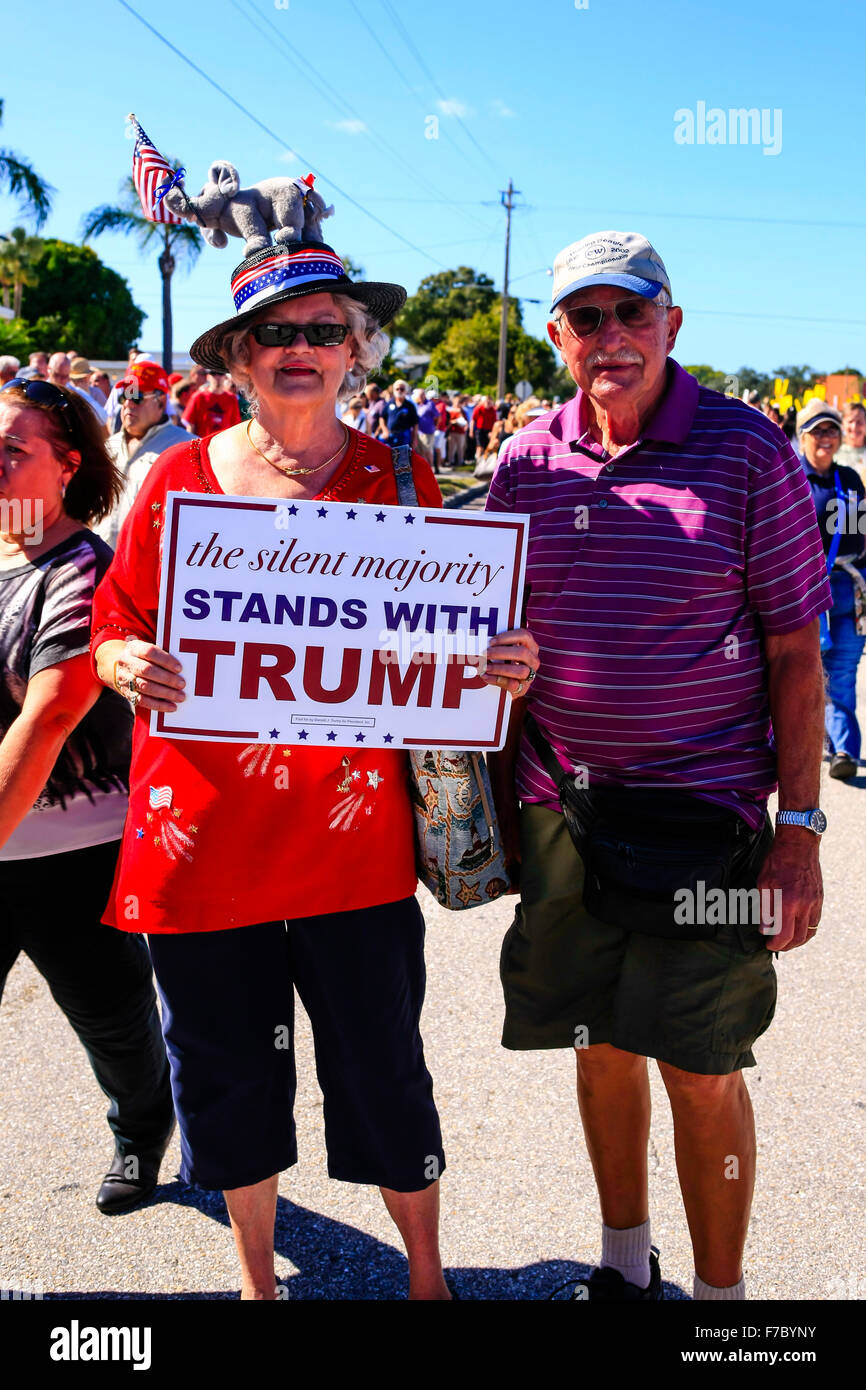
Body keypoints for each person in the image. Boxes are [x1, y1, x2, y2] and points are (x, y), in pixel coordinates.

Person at [89, 234, 537, 1301]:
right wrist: (120, 656)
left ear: (357, 352)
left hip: (355, 847)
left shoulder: (404, 474)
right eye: (274, 333)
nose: (300, 347)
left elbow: (451, 630)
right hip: (201, 841)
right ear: (238, 358)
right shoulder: (175, 480)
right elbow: (113, 618)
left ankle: (425, 1278)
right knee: (227, 1074)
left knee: (383, 1070)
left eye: (323, 330)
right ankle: (257, 1283)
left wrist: (496, 661)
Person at [486, 230, 830, 1303]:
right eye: (585, 318)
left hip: (702, 817)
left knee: (701, 1064)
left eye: (632, 313)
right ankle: (622, 1266)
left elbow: (791, 652)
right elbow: (486, 631)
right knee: (596, 1044)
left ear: (671, 324)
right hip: (561, 811)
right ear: (556, 337)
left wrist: (799, 831)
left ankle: (719, 1307)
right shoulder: (523, 461)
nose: (611, 337)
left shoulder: (746, 450)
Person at [0, 376, 174, 1215]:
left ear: (67, 466)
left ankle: (142, 1129)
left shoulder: (81, 567)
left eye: (12, 452)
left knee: (108, 1016)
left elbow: (52, 714)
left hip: (69, 854)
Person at [798, 398, 866, 779]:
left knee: (842, 672)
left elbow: (862, 535)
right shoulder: (788, 478)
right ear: (802, 436)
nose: (826, 437)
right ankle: (817, 741)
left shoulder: (851, 481)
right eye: (817, 430)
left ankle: (844, 750)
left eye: (832, 429)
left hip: (849, 592)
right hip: (806, 594)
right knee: (807, 674)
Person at [94, 360, 191, 552]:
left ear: (161, 402)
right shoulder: (107, 447)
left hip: (149, 570)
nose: (128, 404)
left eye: (137, 396)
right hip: (101, 564)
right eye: (124, 397)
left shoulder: (186, 449)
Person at [47, 353, 107, 427]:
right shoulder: (38, 389)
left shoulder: (76, 393)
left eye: (65, 376)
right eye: (57, 375)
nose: (61, 380)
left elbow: (103, 417)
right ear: (48, 369)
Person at [182, 368, 242, 436]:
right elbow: (190, 425)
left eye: (220, 373)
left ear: (225, 377)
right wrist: (193, 445)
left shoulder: (232, 398)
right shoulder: (198, 397)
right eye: (213, 373)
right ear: (208, 377)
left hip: (224, 443)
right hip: (203, 442)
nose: (217, 377)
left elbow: (235, 426)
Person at [381, 378, 418, 450]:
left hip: (404, 436)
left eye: (402, 389)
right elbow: (382, 417)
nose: (399, 391)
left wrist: (415, 439)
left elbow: (415, 423)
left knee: (403, 458)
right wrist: (384, 430)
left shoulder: (410, 405)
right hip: (390, 435)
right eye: (397, 389)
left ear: (406, 390)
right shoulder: (389, 403)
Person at [837, 400, 866, 484]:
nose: (854, 427)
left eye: (859, 422)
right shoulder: (834, 452)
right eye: (850, 421)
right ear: (842, 425)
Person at [445, 393, 468, 467]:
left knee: (460, 448)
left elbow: (465, 421)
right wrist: (454, 421)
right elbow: (448, 421)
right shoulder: (450, 410)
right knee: (451, 448)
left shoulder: (462, 411)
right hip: (452, 431)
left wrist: (460, 412)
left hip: (460, 432)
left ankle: (460, 461)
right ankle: (450, 461)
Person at [471, 395, 497, 460]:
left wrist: (493, 432)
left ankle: (484, 461)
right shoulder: (479, 408)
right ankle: (478, 460)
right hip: (480, 430)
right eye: (487, 401)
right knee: (479, 446)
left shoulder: (492, 410)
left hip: (488, 430)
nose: (488, 403)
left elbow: (494, 422)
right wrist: (471, 431)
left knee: (487, 447)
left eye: (489, 402)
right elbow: (473, 420)